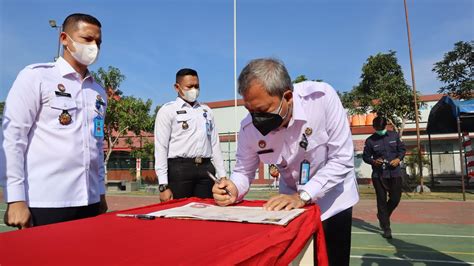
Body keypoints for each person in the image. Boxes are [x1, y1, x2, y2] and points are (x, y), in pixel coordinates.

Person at [212, 58, 359, 266]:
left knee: (333, 260)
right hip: (289, 206)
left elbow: (342, 160)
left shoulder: (321, 99)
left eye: (262, 111)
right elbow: (243, 170)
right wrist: (234, 188)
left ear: (287, 96)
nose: (256, 119)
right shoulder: (248, 129)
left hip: (332, 201)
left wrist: (304, 195)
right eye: (250, 111)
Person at [1, 13, 108, 228]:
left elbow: (97, 146)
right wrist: (15, 198)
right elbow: (13, 138)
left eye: (98, 42)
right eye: (87, 39)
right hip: (46, 200)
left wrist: (101, 192)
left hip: (89, 200)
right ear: (64, 39)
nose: (93, 46)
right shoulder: (36, 77)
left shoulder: (98, 92)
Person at [154, 68, 226, 202]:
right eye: (189, 86)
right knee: (178, 215)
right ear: (177, 87)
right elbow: (161, 148)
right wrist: (163, 185)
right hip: (179, 170)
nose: (194, 90)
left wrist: (222, 176)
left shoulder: (206, 111)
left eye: (197, 86)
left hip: (206, 169)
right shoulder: (168, 110)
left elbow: (214, 144)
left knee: (206, 213)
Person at [362, 116, 406, 239]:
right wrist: (373, 161)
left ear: (386, 126)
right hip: (379, 175)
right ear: (374, 128)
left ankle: (382, 216)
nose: (380, 130)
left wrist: (398, 159)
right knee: (381, 201)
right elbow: (365, 157)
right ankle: (386, 227)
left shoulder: (394, 136)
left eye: (382, 128)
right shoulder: (370, 141)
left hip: (395, 173)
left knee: (395, 199)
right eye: (377, 129)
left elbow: (402, 150)